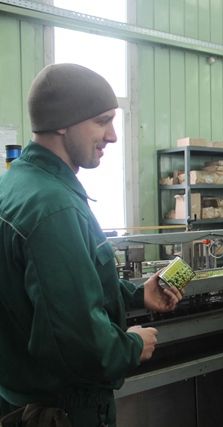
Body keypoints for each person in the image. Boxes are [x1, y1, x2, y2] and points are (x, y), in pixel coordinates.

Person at [0, 63, 182, 426]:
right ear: (63, 121)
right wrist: (132, 345)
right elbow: (79, 342)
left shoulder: (16, 185)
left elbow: (57, 289)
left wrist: (133, 294)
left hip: (19, 399)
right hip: (62, 410)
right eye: (102, 121)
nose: (112, 136)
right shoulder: (54, 206)